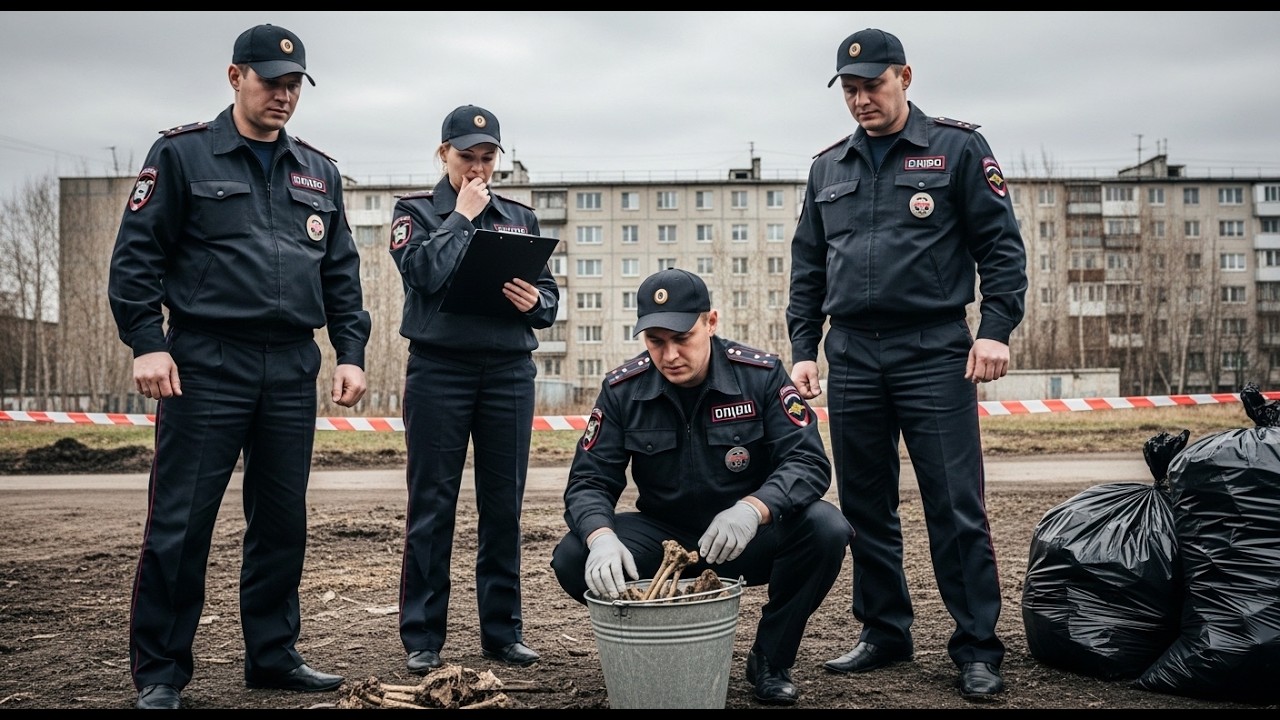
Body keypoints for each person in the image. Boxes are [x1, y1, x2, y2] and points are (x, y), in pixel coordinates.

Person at [107, 24, 370, 710]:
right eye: (271, 82)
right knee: (181, 521)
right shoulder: (182, 154)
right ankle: (161, 671)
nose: (284, 95)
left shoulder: (318, 171)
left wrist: (350, 352)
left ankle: (273, 656)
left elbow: (341, 272)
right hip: (204, 360)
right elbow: (137, 256)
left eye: (294, 85)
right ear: (235, 77)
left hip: (291, 363)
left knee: (282, 521)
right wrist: (147, 340)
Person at [786, 28, 1028, 700]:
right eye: (850, 89)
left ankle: (977, 647)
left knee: (954, 504)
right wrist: (803, 349)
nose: (861, 99)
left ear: (905, 77)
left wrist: (995, 330)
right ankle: (884, 630)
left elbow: (1001, 249)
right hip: (851, 353)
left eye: (873, 85)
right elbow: (808, 268)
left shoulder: (957, 148)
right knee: (864, 505)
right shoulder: (828, 167)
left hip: (934, 350)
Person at [551, 268, 853, 706]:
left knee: (826, 528)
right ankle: (661, 650)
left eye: (682, 338)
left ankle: (771, 658)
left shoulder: (761, 375)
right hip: (664, 539)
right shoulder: (623, 390)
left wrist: (754, 508)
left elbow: (807, 462)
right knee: (573, 555)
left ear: (710, 322)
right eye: (655, 341)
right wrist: (600, 537)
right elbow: (589, 480)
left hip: (745, 537)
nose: (670, 354)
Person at [388, 104, 560, 675]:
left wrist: (536, 302)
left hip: (508, 372)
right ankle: (422, 636)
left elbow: (549, 298)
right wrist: (461, 217)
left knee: (503, 507)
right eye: (467, 157)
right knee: (432, 505)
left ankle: (503, 632)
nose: (478, 169)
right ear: (444, 154)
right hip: (439, 370)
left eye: (488, 158)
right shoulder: (415, 211)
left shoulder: (519, 216)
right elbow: (422, 275)